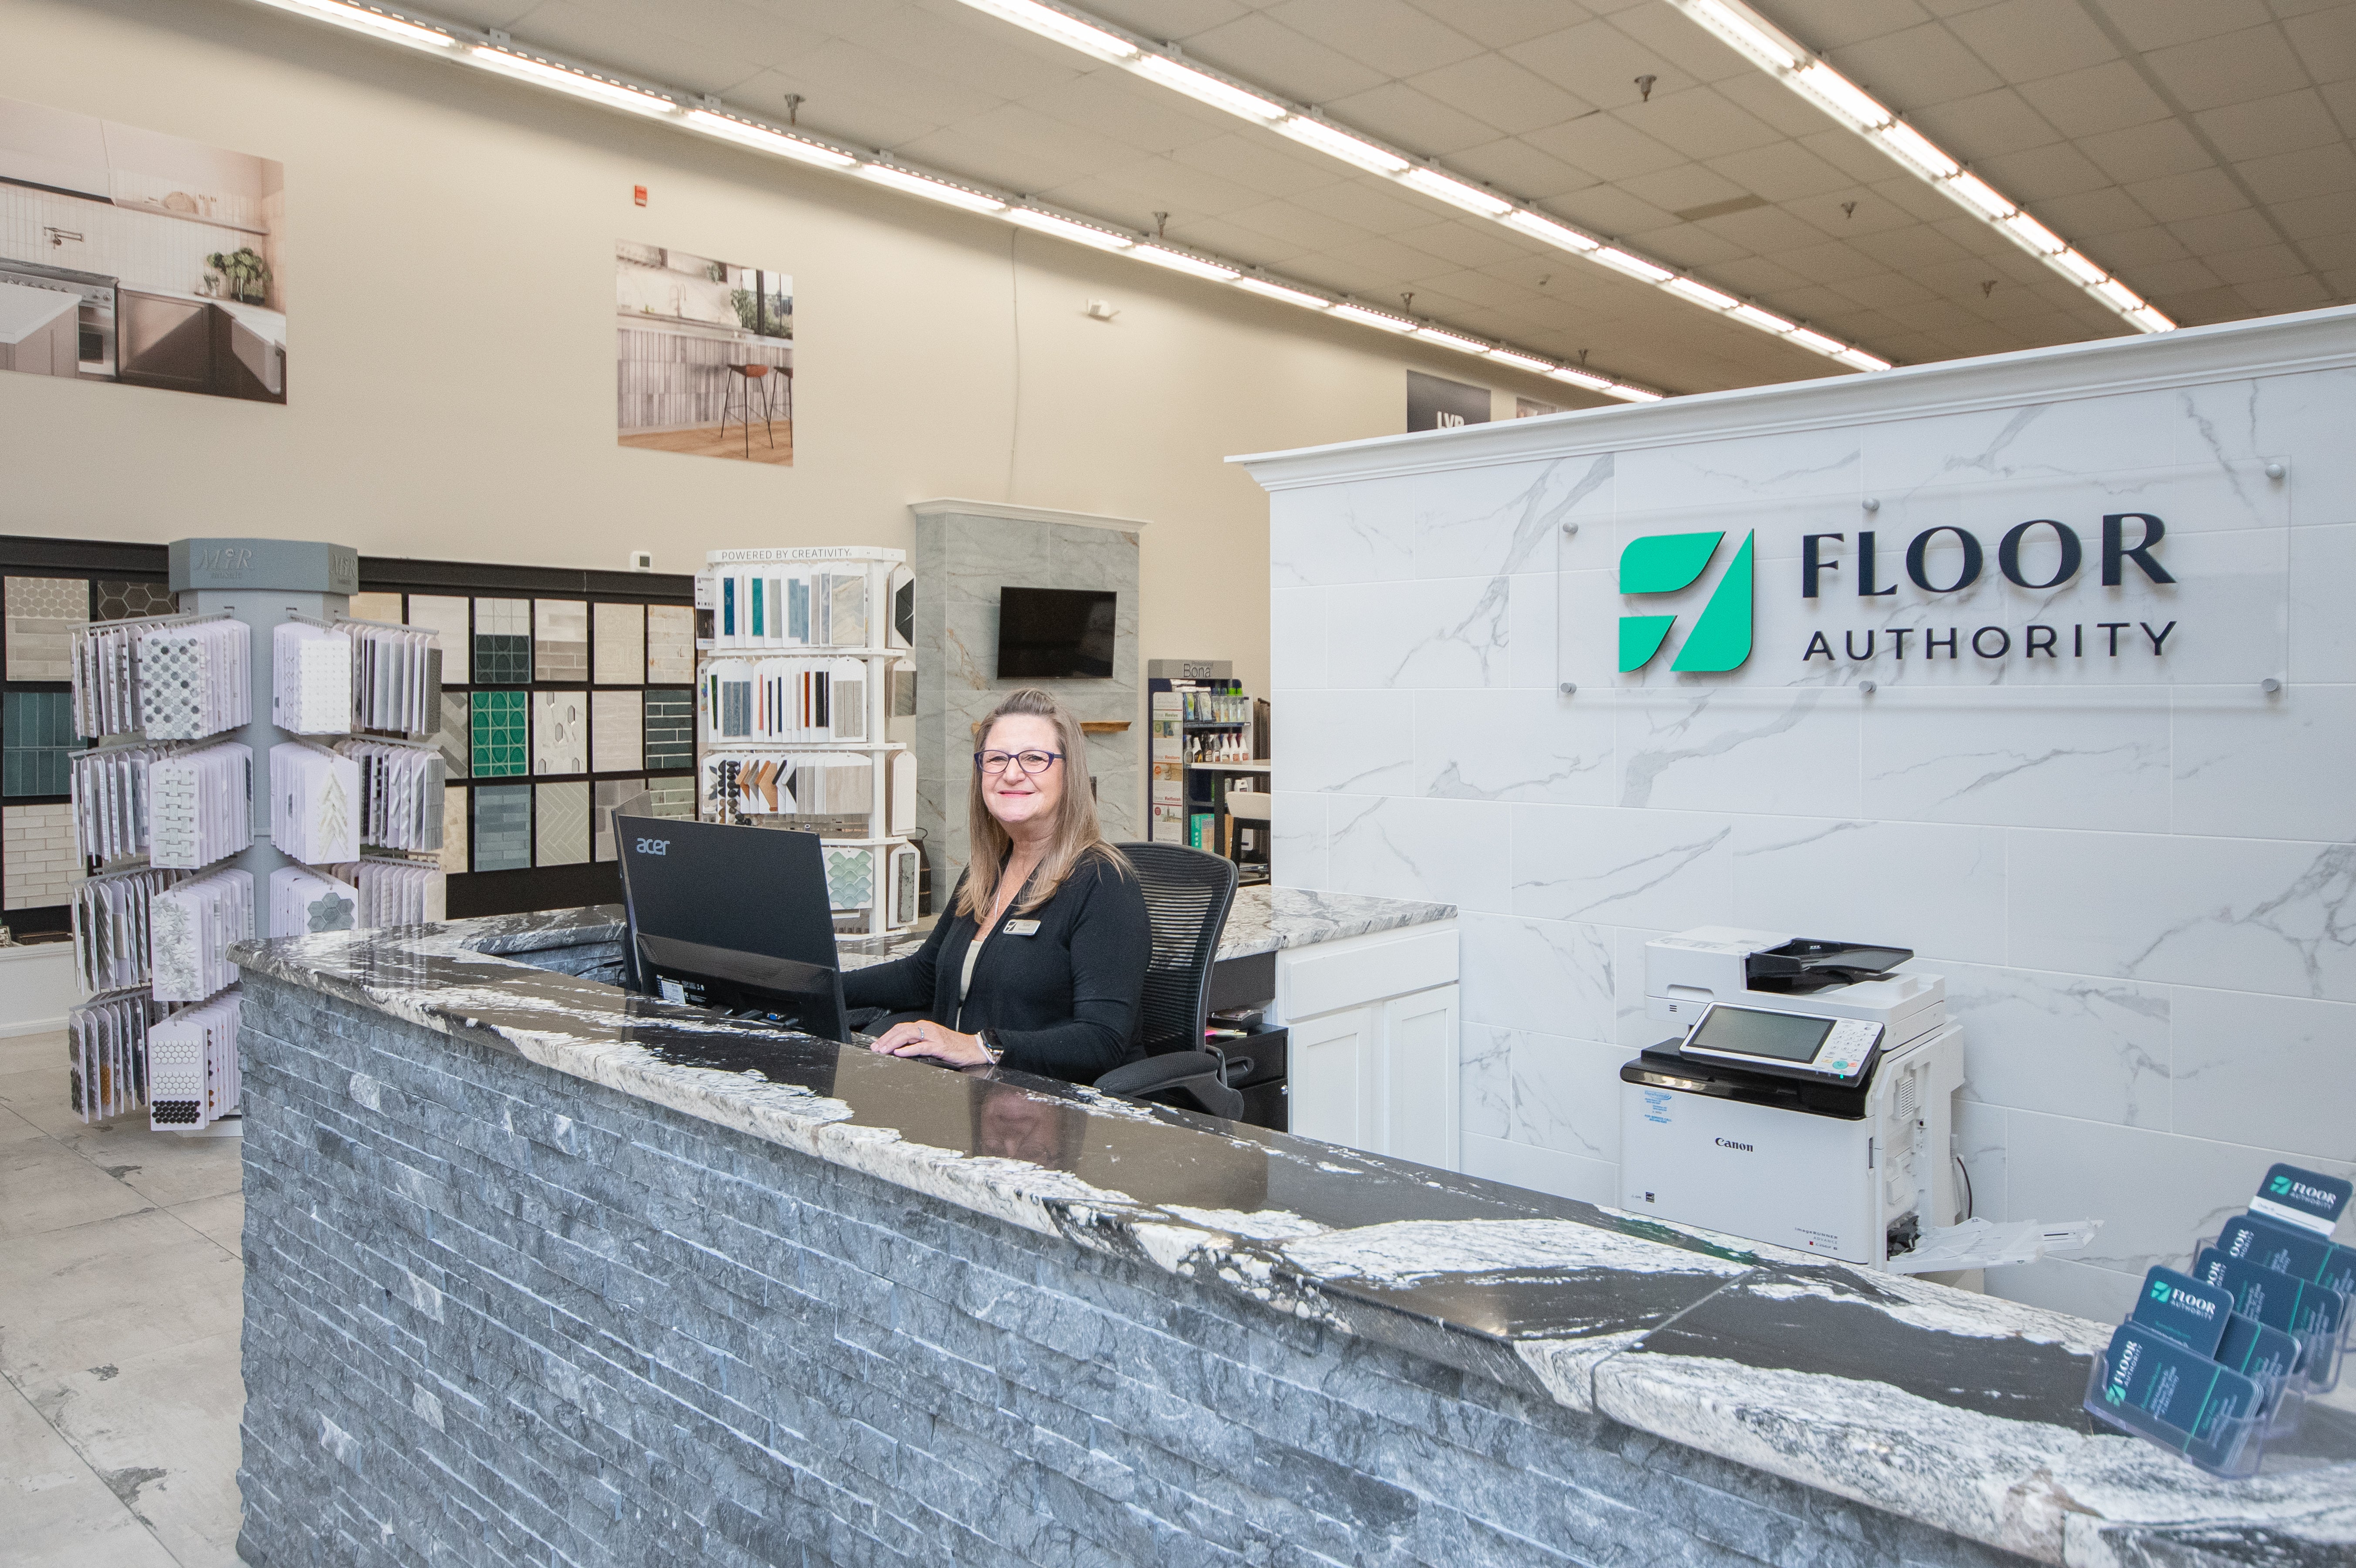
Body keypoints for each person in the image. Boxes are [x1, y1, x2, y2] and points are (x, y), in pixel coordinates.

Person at [845, 687, 1149, 1083]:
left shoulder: (1105, 882)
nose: (1011, 773)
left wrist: (979, 1046)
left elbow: (1102, 1040)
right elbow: (924, 975)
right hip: (973, 1094)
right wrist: (813, 984)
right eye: (996, 759)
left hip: (1057, 1111)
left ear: (1069, 773)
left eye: (1035, 759)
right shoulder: (986, 871)